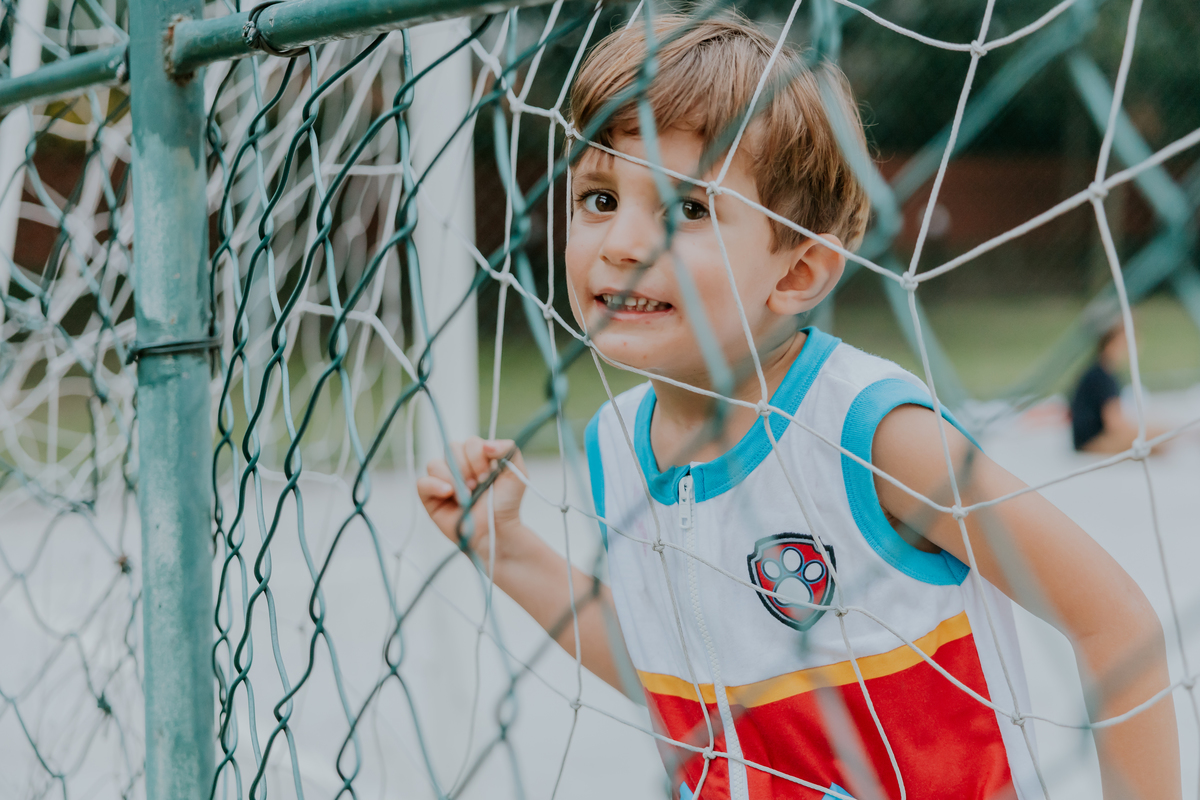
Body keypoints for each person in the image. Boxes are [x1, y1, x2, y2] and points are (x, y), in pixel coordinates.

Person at [418, 15, 1179, 800]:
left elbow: (1114, 623)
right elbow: (672, 673)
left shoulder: (875, 435)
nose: (620, 243)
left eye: (688, 210)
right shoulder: (614, 442)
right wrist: (505, 548)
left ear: (800, 272)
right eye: (600, 197)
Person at [1071, 323, 1164, 454]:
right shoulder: (1102, 376)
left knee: (1160, 435)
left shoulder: (1100, 371)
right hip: (1092, 442)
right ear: (1112, 342)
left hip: (1090, 438)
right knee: (1159, 441)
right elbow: (1114, 423)